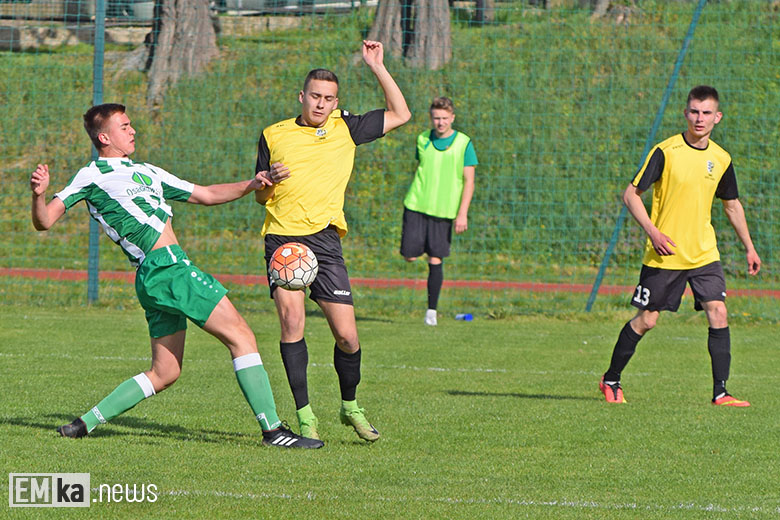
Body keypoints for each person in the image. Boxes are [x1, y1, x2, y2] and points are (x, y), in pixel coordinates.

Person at [31, 103, 323, 448]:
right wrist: (38, 196)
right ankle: (273, 431)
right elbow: (45, 220)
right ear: (104, 136)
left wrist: (254, 183)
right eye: (124, 126)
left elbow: (207, 194)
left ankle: (83, 425)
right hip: (166, 268)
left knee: (164, 373)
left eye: (131, 124)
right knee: (242, 336)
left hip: (156, 276)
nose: (133, 130)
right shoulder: (91, 176)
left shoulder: (148, 171)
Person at [253, 40, 411, 442]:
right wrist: (267, 181)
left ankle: (350, 406)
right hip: (283, 239)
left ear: (336, 101)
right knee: (292, 323)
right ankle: (305, 417)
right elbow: (260, 193)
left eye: (328, 98)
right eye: (315, 97)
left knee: (347, 336)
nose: (321, 104)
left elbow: (401, 114)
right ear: (301, 96)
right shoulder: (273, 134)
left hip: (325, 239)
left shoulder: (346, 127)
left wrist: (377, 65)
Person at [599, 85, 761, 406]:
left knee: (718, 310)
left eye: (706, 113)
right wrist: (652, 233)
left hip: (703, 253)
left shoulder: (721, 158)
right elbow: (631, 195)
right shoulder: (666, 151)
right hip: (666, 254)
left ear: (717, 117)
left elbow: (732, 205)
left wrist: (750, 248)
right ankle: (611, 379)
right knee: (648, 320)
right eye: (694, 112)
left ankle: (720, 393)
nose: (699, 119)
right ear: (685, 113)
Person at [400, 96, 477, 326]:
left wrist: (462, 213)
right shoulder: (423, 139)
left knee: (435, 259)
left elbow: (469, 181)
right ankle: (420, 243)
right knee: (410, 256)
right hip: (416, 205)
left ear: (452, 118)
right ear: (431, 118)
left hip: (444, 211)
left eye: (444, 118)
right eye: (436, 118)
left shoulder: (464, 143)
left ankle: (431, 312)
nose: (440, 123)